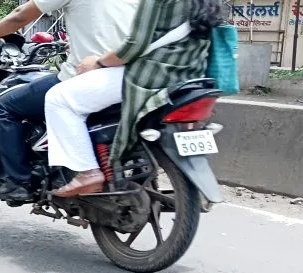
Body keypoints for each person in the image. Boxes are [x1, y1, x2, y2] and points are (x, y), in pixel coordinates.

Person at [0, 0, 139, 202]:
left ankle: (18, 183)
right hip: (131, 75)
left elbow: (20, 14)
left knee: (7, 105)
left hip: (87, 77)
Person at [45, 0, 222, 197]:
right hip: (188, 77)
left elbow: (134, 45)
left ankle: (88, 171)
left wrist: (98, 61)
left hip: (150, 76)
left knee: (58, 98)